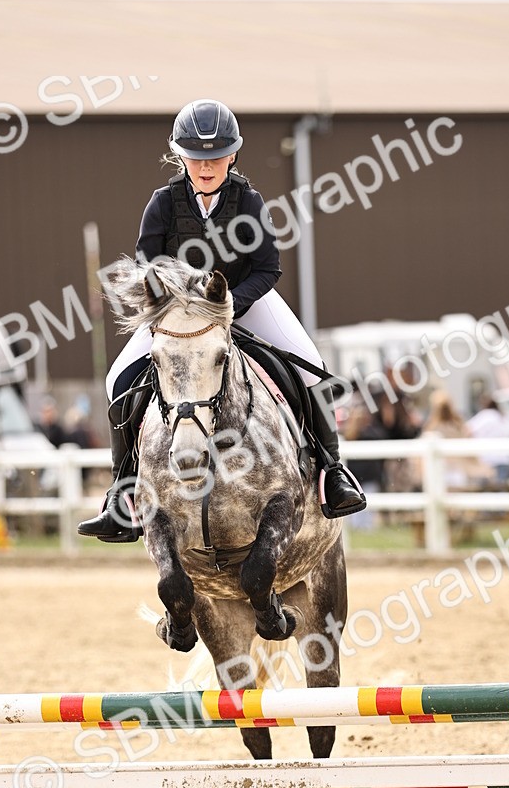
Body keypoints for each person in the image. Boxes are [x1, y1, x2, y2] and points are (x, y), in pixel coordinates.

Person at [78, 99, 366, 542]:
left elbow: (268, 269)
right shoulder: (162, 204)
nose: (206, 166)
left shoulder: (248, 202)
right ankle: (123, 492)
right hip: (177, 317)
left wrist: (228, 305)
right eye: (196, 157)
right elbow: (147, 267)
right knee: (118, 379)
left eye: (214, 157)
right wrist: (174, 308)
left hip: (244, 301)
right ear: (181, 157)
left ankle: (332, 470)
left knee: (312, 368)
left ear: (232, 156)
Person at [466, 394, 509, 485]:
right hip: (505, 458)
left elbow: (468, 429)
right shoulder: (504, 417)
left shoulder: (486, 415)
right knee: (501, 487)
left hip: (489, 459)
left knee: (487, 490)